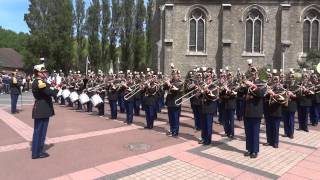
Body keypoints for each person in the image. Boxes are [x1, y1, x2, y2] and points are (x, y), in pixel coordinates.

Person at [31, 64, 58, 159]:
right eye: (44, 72)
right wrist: (56, 89)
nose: (46, 73)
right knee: (40, 132)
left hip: (41, 109)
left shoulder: (41, 81)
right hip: (42, 109)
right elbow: (50, 92)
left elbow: (49, 87)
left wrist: (52, 86)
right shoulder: (39, 82)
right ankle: (37, 152)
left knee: (40, 131)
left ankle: (37, 151)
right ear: (39, 73)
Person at [243, 66, 265, 159]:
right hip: (247, 111)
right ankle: (249, 149)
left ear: (257, 74)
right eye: (251, 73)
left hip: (256, 111)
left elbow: (261, 94)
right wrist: (242, 87)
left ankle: (255, 150)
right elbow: (240, 94)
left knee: (255, 131)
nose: (253, 75)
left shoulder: (262, 83)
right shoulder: (247, 83)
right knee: (248, 132)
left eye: (254, 73)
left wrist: (253, 85)